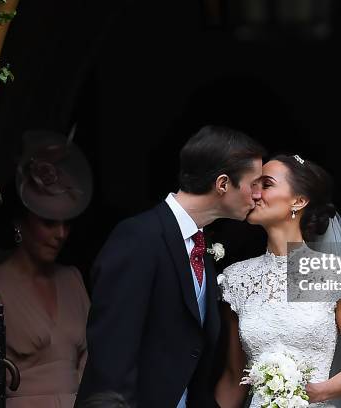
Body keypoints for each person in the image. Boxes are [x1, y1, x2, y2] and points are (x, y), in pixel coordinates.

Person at [76, 126, 266, 407]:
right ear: (223, 184)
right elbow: (112, 352)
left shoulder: (202, 245)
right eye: (254, 184)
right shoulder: (139, 237)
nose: (257, 195)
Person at [215, 154, 341, 407]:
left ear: (298, 201)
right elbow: (234, 378)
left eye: (265, 185)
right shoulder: (235, 280)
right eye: (254, 185)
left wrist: (307, 394)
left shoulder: (336, 273)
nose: (254, 193)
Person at [0, 130, 93, 408]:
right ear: (20, 222)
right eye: (49, 222)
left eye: (66, 223)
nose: (61, 234)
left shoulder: (73, 280)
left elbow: (92, 364)